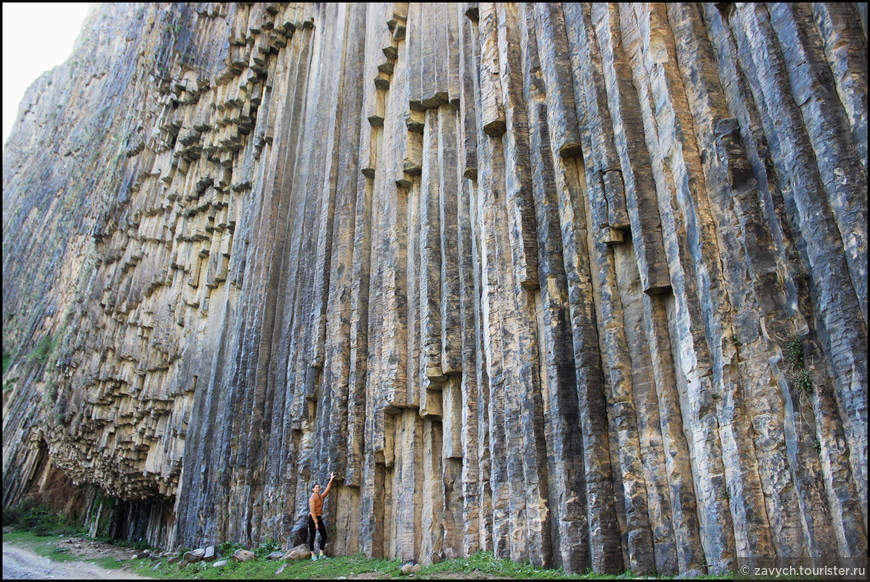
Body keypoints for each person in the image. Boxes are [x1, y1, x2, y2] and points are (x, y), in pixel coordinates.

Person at [308, 471, 335, 560]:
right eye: (316, 487)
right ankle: (312, 554)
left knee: (324, 535)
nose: (318, 489)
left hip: (318, 517)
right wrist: (316, 522)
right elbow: (312, 511)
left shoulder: (320, 497)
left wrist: (331, 480)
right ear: (313, 489)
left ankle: (321, 554)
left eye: (319, 487)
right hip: (312, 518)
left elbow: (327, 490)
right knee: (312, 536)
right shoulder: (312, 499)